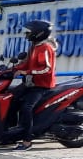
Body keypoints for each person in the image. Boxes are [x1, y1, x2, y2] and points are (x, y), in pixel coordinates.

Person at [12, 19, 56, 151]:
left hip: (42, 86)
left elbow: (46, 69)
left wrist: (26, 71)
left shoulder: (45, 48)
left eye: (29, 32)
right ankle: (12, 132)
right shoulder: (34, 46)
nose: (26, 35)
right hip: (31, 83)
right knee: (11, 98)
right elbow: (27, 63)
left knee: (26, 108)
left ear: (38, 33)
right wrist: (13, 69)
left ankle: (27, 141)